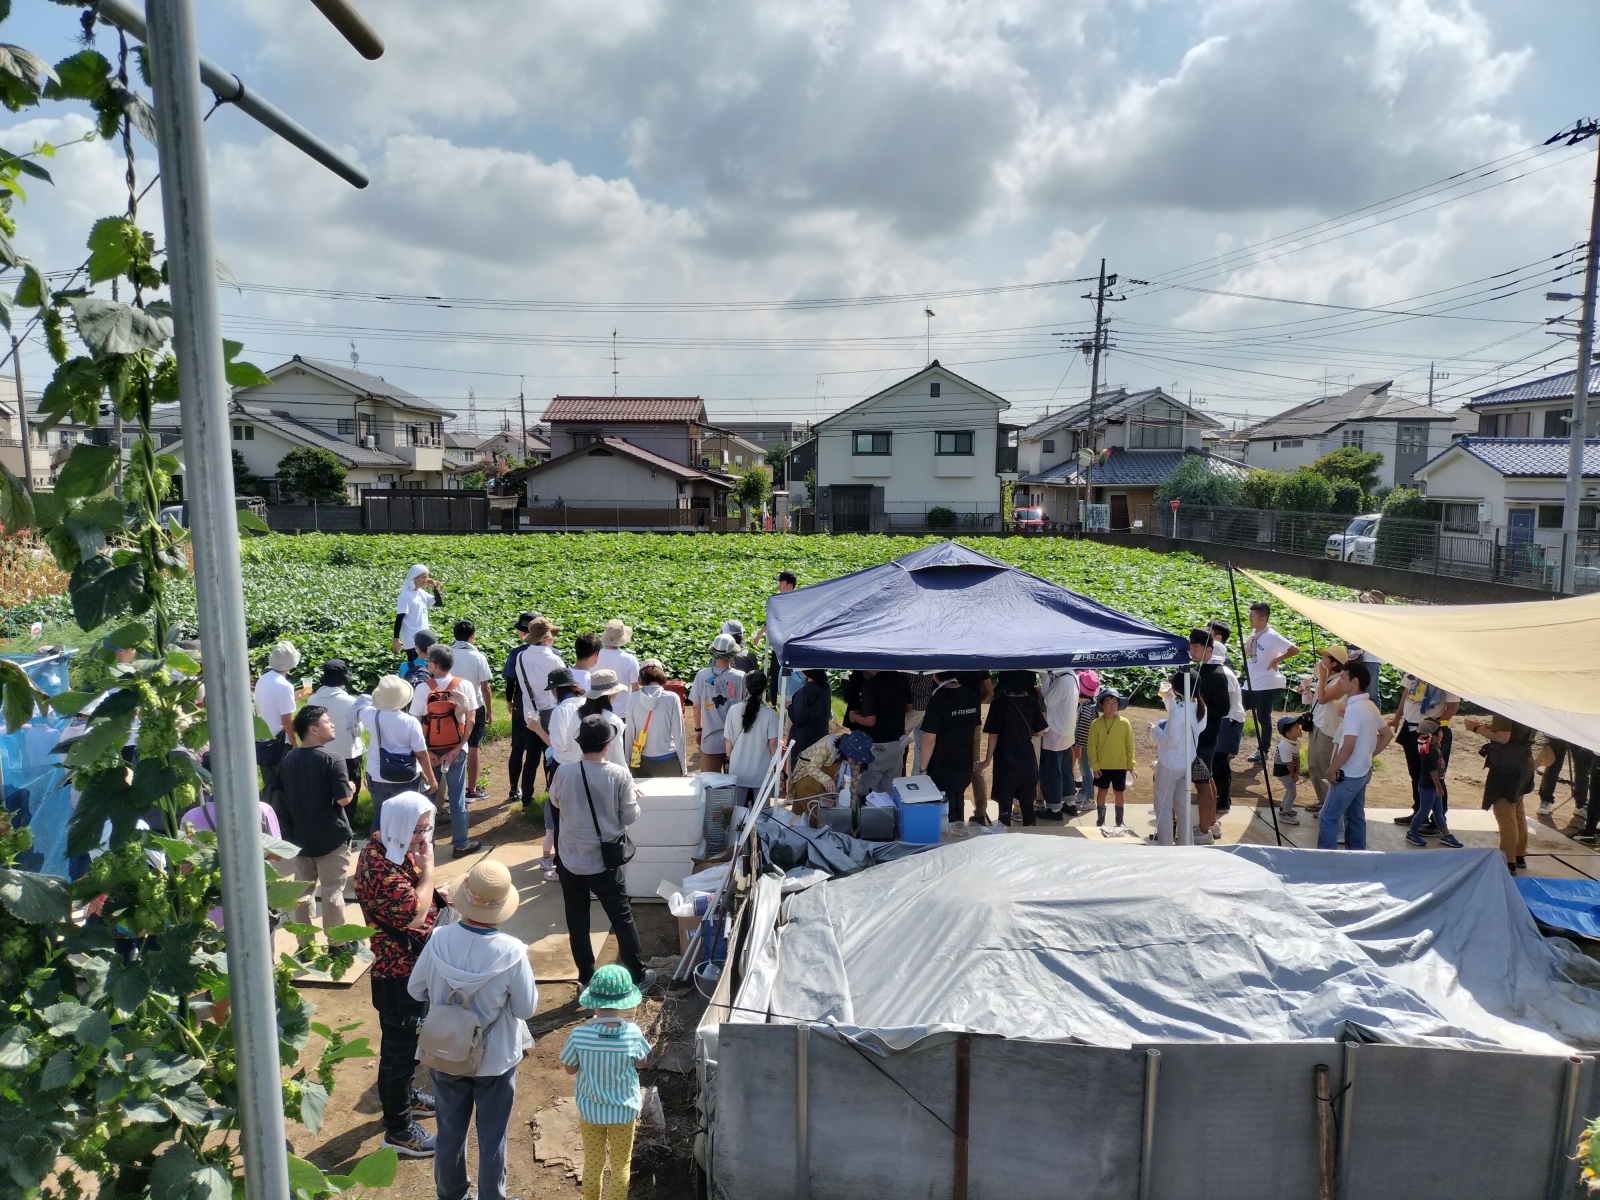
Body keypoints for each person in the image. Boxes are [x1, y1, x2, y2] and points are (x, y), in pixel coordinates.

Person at [408, 859, 538, 1200]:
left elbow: (415, 990)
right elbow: (526, 1008)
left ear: (464, 898)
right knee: (493, 1135)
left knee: (450, 1129)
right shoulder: (511, 952)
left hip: (446, 1051)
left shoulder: (437, 940)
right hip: (495, 1058)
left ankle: (451, 1193)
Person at [354, 792, 445, 1158]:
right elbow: (414, 915)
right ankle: (400, 1131)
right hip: (397, 975)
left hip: (407, 968)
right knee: (399, 1055)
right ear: (397, 827)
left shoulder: (392, 848)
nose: (422, 838)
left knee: (402, 1050)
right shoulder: (378, 866)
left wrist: (435, 893)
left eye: (426, 829)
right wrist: (429, 872)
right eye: (417, 830)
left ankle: (405, 1099)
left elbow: (419, 901)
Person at [547, 715, 656, 992]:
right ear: (608, 744)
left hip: (569, 859)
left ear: (581, 744)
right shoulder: (619, 775)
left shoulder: (564, 772)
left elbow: (555, 801)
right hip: (604, 860)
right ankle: (638, 975)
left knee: (577, 920)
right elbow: (630, 816)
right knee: (621, 916)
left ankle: (586, 979)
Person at [560, 964, 653, 1200]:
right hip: (624, 1112)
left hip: (591, 1112)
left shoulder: (579, 1035)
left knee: (593, 1162)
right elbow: (642, 1063)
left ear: (592, 1000)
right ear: (626, 1002)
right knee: (621, 1165)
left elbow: (570, 1070)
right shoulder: (632, 1033)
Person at [279, 705, 356, 943]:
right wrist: (351, 789)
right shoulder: (332, 759)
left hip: (300, 839)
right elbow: (343, 799)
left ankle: (305, 944)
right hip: (331, 838)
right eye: (327, 721)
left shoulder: (289, 759)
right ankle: (337, 943)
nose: (332, 724)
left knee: (302, 892)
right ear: (313, 729)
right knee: (332, 891)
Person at [410, 644, 481, 857]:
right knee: (458, 798)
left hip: (430, 751)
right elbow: (471, 721)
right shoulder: (464, 685)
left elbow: (416, 724)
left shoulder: (423, 688)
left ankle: (424, 845)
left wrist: (428, 753)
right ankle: (461, 844)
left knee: (428, 798)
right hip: (456, 751)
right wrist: (458, 748)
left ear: (434, 664)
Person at [1317, 660, 1391, 851]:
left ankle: (1326, 861)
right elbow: (1387, 735)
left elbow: (1348, 745)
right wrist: (1368, 754)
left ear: (1354, 681)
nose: (1339, 682)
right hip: (1362, 771)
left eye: (1342, 677)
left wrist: (1333, 768)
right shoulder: (1369, 705)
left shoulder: (1354, 709)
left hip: (1349, 774)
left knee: (1328, 816)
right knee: (1355, 816)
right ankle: (1357, 856)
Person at [1463, 711, 1537, 872]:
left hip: (1508, 765)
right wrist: (1488, 728)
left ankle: (1508, 860)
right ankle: (1518, 854)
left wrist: (1475, 729)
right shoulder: (1524, 704)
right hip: (1524, 761)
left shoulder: (1504, 708)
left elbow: (1504, 737)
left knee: (1505, 812)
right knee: (1517, 808)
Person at [361, 675, 439, 827]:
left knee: (380, 816)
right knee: (405, 818)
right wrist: (431, 779)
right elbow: (421, 754)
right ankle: (402, 849)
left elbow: (361, 704)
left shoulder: (370, 716)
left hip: (376, 774)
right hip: (405, 775)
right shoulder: (410, 721)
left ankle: (377, 850)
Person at [1388, 672, 1461, 828]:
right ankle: (1419, 812)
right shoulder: (1413, 670)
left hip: (1432, 732)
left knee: (1435, 777)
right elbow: (1406, 693)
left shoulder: (1446, 676)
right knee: (1416, 774)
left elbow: (1453, 706)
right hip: (1411, 728)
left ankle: (1438, 820)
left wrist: (1435, 726)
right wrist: (1397, 718)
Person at [978, 670, 1048, 827]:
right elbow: (1041, 732)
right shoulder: (1032, 702)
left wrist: (987, 760)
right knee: (1027, 804)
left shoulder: (998, 704)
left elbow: (993, 735)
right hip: (1026, 759)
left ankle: (1004, 831)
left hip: (1004, 760)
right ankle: (1030, 833)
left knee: (1005, 805)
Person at [539, 666, 588, 881]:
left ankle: (562, 868)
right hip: (589, 766)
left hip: (564, 770)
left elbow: (558, 746)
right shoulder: (587, 703)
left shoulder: (560, 711)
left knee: (561, 820)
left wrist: (537, 730)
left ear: (556, 689)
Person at [1185, 630, 1230, 844]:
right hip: (1203, 735)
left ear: (1209, 650)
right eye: (1191, 647)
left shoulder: (1216, 674)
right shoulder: (1202, 670)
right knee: (1207, 777)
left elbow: (1223, 708)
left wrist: (1197, 704)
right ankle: (1211, 823)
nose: (1192, 651)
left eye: (1196, 647)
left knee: (1201, 782)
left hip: (1204, 737)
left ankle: (1203, 832)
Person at [1148, 673, 1204, 845]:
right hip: (1186, 765)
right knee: (1183, 808)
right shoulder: (1200, 707)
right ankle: (1186, 845)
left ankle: (1165, 845)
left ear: (1179, 688)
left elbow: (1170, 740)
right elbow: (1178, 717)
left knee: (1163, 807)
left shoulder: (1181, 710)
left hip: (1170, 765)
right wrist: (1170, 698)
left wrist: (1154, 731)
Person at [514, 615, 566, 801]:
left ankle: (526, 800)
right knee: (551, 757)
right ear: (545, 638)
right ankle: (550, 797)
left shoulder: (520, 657)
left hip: (531, 714)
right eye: (551, 635)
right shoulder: (554, 660)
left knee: (531, 759)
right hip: (551, 714)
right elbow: (562, 688)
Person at [920, 671, 983, 824]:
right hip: (964, 760)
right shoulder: (971, 694)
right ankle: (959, 830)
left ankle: (949, 838)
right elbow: (975, 725)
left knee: (945, 807)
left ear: (935, 676)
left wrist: (922, 768)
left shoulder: (938, 699)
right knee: (958, 797)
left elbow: (930, 738)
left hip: (943, 763)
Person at [1243, 601, 1298, 764]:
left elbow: (1294, 649)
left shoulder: (1272, 636)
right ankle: (1229, 747)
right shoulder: (1254, 633)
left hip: (1267, 684)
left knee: (1263, 717)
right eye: (1249, 615)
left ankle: (1263, 750)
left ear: (1263, 618)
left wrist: (1277, 659)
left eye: (1252, 616)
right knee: (1236, 712)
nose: (1249, 619)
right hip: (1250, 682)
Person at [1297, 646, 1349, 812]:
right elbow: (1318, 699)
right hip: (1317, 724)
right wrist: (1307, 693)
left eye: (1325, 658)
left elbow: (1324, 698)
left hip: (1328, 729)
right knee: (1313, 764)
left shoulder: (1339, 681)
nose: (1321, 661)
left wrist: (1320, 679)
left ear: (1334, 663)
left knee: (1324, 764)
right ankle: (1322, 800)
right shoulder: (1327, 679)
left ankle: (1329, 804)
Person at [450, 620, 496, 802]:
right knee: (474, 746)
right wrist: (490, 711)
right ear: (472, 637)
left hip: (450, 706)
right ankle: (472, 790)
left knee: (450, 744)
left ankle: (452, 789)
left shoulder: (446, 654)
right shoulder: (478, 657)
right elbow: (486, 688)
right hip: (474, 706)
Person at [307, 659, 366, 791]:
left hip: (319, 754)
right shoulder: (350, 702)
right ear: (343, 680)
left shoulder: (311, 700)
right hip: (347, 756)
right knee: (348, 793)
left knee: (324, 792)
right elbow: (358, 731)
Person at [689, 634, 746, 772]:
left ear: (713, 654)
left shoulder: (702, 675)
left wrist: (698, 729)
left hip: (710, 741)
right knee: (733, 784)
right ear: (732, 655)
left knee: (709, 784)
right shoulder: (741, 677)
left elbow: (696, 706)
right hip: (735, 741)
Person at [851, 670, 913, 796]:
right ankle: (887, 814)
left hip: (877, 746)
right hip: (898, 743)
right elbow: (909, 708)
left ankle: (866, 814)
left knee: (867, 791)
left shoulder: (871, 685)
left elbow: (870, 721)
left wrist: (853, 716)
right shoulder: (902, 678)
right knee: (889, 791)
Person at [255, 640, 302, 802]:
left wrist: (295, 696)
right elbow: (287, 720)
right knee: (287, 786)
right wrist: (295, 744)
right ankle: (284, 823)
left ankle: (267, 819)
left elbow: (269, 703)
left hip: (263, 741)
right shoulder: (284, 686)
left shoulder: (264, 679)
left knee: (269, 784)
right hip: (280, 744)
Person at [1405, 719, 1463, 849]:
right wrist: (1438, 787)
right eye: (1441, 731)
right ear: (1434, 735)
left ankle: (1446, 834)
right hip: (1429, 787)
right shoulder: (1430, 751)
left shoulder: (1433, 747)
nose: (1443, 733)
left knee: (1438, 811)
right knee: (1424, 810)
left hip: (1433, 787)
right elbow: (1433, 771)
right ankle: (1412, 832)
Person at [724, 670, 780, 804]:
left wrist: (728, 757)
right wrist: (776, 766)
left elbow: (728, 741)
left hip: (737, 771)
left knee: (737, 813)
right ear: (764, 689)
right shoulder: (770, 714)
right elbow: (773, 745)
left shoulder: (733, 710)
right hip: (762, 773)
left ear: (745, 687)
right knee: (763, 816)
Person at [625, 659, 688, 777]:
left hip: (641, 761)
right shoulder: (672, 698)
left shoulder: (633, 698)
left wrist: (628, 764)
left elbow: (629, 734)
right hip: (668, 760)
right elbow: (679, 735)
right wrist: (683, 767)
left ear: (641, 676)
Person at [1208, 628, 1246, 815]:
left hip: (1228, 719)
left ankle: (1223, 800)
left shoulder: (1221, 672)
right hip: (1226, 719)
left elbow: (1223, 703)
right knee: (1218, 760)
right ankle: (1221, 798)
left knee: (1219, 760)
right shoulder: (1222, 670)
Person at [1087, 688, 1135, 829]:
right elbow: (1091, 748)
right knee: (1102, 791)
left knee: (1119, 792)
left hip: (1120, 765)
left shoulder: (1125, 723)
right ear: (1101, 705)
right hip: (1102, 766)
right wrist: (1094, 766)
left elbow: (1130, 745)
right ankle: (1100, 820)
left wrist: (1130, 764)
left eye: (1115, 702)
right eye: (1108, 702)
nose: (1112, 705)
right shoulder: (1096, 724)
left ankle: (1119, 821)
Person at [1037, 668, 1079, 821]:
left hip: (1055, 732)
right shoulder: (1073, 676)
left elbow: (1048, 700)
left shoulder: (1062, 680)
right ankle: (1070, 803)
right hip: (1067, 731)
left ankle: (1054, 809)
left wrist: (1045, 678)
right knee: (1066, 770)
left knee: (1051, 772)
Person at [579, 669, 632, 773]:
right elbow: (618, 758)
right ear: (610, 694)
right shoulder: (613, 721)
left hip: (579, 773)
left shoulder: (577, 715)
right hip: (604, 776)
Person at [393, 563, 443, 661]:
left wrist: (434, 588)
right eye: (423, 577)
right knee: (416, 668)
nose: (426, 580)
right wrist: (396, 639)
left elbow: (438, 603)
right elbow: (399, 618)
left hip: (425, 639)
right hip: (412, 641)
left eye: (427, 577)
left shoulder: (421, 593)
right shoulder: (406, 595)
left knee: (428, 668)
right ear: (414, 578)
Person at [786, 669, 832, 765]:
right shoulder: (826, 688)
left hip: (803, 740)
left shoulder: (804, 693)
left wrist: (789, 707)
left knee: (799, 772)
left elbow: (798, 719)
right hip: (820, 737)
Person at [1071, 670, 1099, 811]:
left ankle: (1090, 799)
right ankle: (1084, 792)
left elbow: (1083, 729)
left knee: (1086, 770)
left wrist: (1079, 746)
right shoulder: (1090, 705)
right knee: (1084, 769)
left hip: (1084, 743)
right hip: (1088, 743)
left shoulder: (1086, 708)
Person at [597, 619, 641, 699]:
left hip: (597, 709)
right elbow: (635, 689)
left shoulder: (595, 656)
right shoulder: (630, 659)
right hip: (623, 710)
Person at [1273, 715, 1305, 825]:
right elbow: (1289, 764)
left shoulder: (1294, 742)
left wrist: (1297, 773)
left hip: (1289, 770)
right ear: (1288, 733)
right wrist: (1293, 775)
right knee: (1292, 792)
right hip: (1283, 771)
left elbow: (1298, 758)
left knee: (1290, 789)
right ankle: (1285, 815)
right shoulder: (1285, 746)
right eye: (1296, 728)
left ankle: (1284, 808)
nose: (1300, 729)